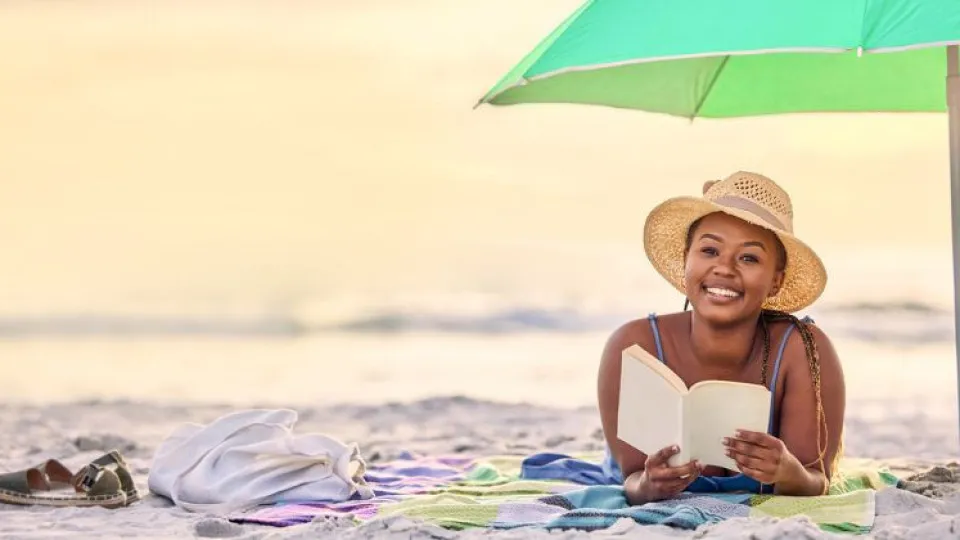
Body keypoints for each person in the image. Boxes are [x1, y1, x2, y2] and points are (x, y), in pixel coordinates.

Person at [596, 171, 845, 505]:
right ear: (687, 259)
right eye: (710, 250)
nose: (724, 268)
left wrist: (787, 471)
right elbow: (632, 481)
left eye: (749, 257)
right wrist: (649, 485)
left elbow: (816, 481)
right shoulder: (633, 346)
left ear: (775, 281)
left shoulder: (802, 350)